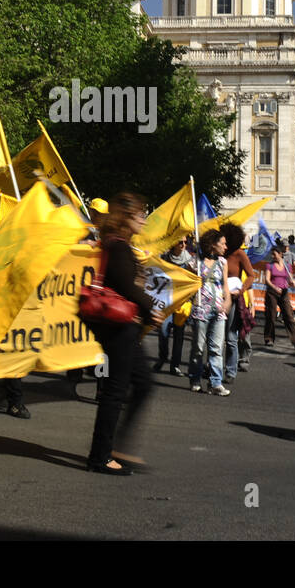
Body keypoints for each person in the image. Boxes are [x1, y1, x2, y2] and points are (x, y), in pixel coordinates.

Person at [86, 192, 161, 474]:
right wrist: (149, 305)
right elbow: (124, 285)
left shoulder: (121, 245)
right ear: (126, 217)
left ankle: (117, 447)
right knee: (115, 391)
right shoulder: (117, 246)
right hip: (118, 325)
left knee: (142, 383)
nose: (144, 219)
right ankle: (100, 456)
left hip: (125, 325)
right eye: (140, 214)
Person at [188, 227, 231, 395]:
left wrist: (227, 301)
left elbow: (225, 285)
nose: (225, 247)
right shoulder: (196, 262)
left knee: (216, 348)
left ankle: (215, 382)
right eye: (223, 243)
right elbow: (186, 283)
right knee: (198, 347)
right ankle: (195, 378)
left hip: (218, 309)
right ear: (213, 245)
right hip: (200, 309)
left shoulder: (223, 262)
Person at [154, 236, 195, 376]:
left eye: (185, 242)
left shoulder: (190, 260)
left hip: (182, 302)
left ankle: (175, 365)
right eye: (180, 241)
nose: (183, 244)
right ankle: (162, 357)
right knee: (163, 331)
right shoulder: (165, 257)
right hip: (166, 301)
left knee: (179, 334)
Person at [221, 222, 254, 376]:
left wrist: (241, 291)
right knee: (216, 336)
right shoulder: (219, 253)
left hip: (234, 299)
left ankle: (231, 371)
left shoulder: (240, 254)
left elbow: (251, 276)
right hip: (218, 297)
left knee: (231, 336)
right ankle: (214, 368)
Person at [263, 244, 295, 348]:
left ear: (281, 254)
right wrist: (274, 287)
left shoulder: (287, 266)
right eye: (272, 254)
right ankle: (269, 338)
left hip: (284, 292)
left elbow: (290, 279)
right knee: (271, 315)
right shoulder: (270, 265)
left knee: (289, 315)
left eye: (274, 254)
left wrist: (292, 282)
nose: (272, 256)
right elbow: (267, 280)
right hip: (272, 293)